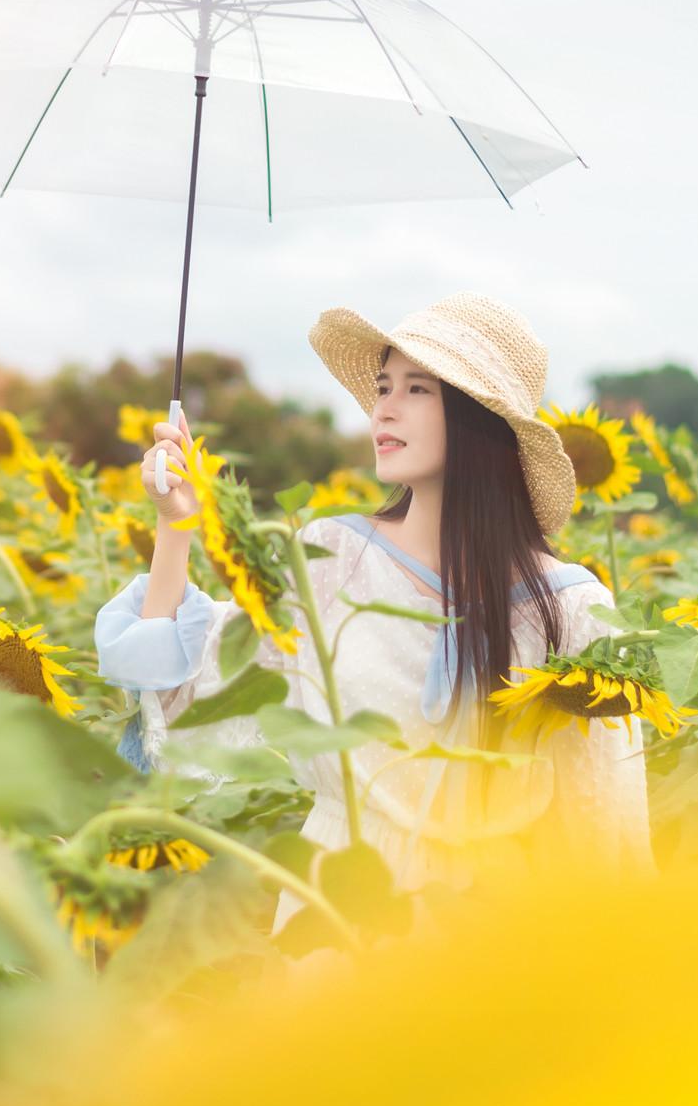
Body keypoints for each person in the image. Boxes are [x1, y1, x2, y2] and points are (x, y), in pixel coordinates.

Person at [94, 293, 653, 922]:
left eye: (417, 389)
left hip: (494, 929)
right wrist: (176, 525)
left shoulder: (571, 606)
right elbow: (182, 683)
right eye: (384, 386)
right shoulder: (332, 557)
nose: (383, 408)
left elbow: (602, 822)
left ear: (480, 418)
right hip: (335, 910)